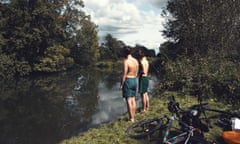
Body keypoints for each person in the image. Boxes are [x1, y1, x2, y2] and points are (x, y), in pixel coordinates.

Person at [120, 46, 139, 122]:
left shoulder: (126, 61)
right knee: (133, 99)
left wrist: (121, 84)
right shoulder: (136, 61)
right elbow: (137, 72)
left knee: (128, 99)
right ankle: (133, 116)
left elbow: (124, 73)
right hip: (134, 79)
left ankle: (131, 118)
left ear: (124, 52)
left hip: (128, 80)